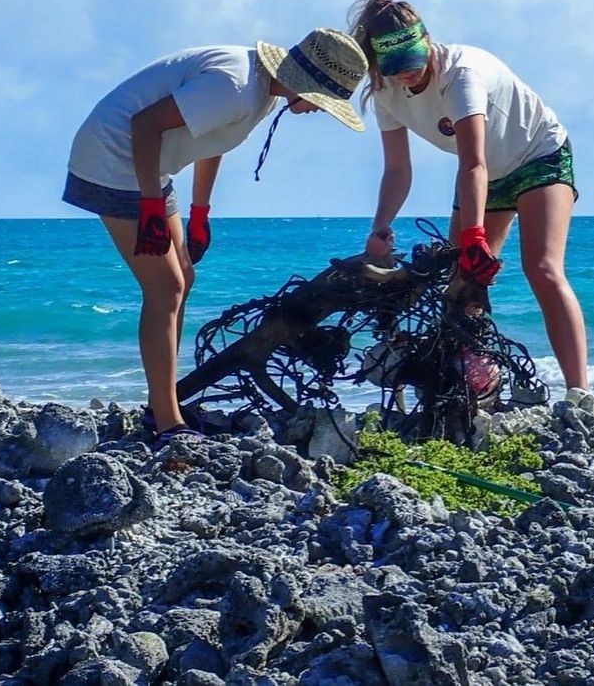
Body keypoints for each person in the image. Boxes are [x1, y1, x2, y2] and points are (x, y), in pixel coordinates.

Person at [63, 28, 368, 444]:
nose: (319, 112)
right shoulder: (236, 86)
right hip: (113, 159)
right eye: (322, 103)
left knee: (183, 278)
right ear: (305, 84)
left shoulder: (262, 88)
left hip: (151, 168)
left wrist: (199, 213)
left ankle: (163, 403)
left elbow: (212, 141)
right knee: (165, 288)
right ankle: (167, 422)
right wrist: (152, 206)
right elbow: (145, 123)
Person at [348, 0, 594, 417]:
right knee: (461, 284)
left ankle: (581, 395)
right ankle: (474, 392)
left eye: (413, 62)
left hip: (537, 155)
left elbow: (473, 162)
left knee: (541, 268)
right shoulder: (385, 94)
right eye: (395, 67)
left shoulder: (461, 74)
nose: (406, 74)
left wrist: (474, 236)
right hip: (484, 172)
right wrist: (379, 229)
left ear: (427, 42)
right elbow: (397, 170)